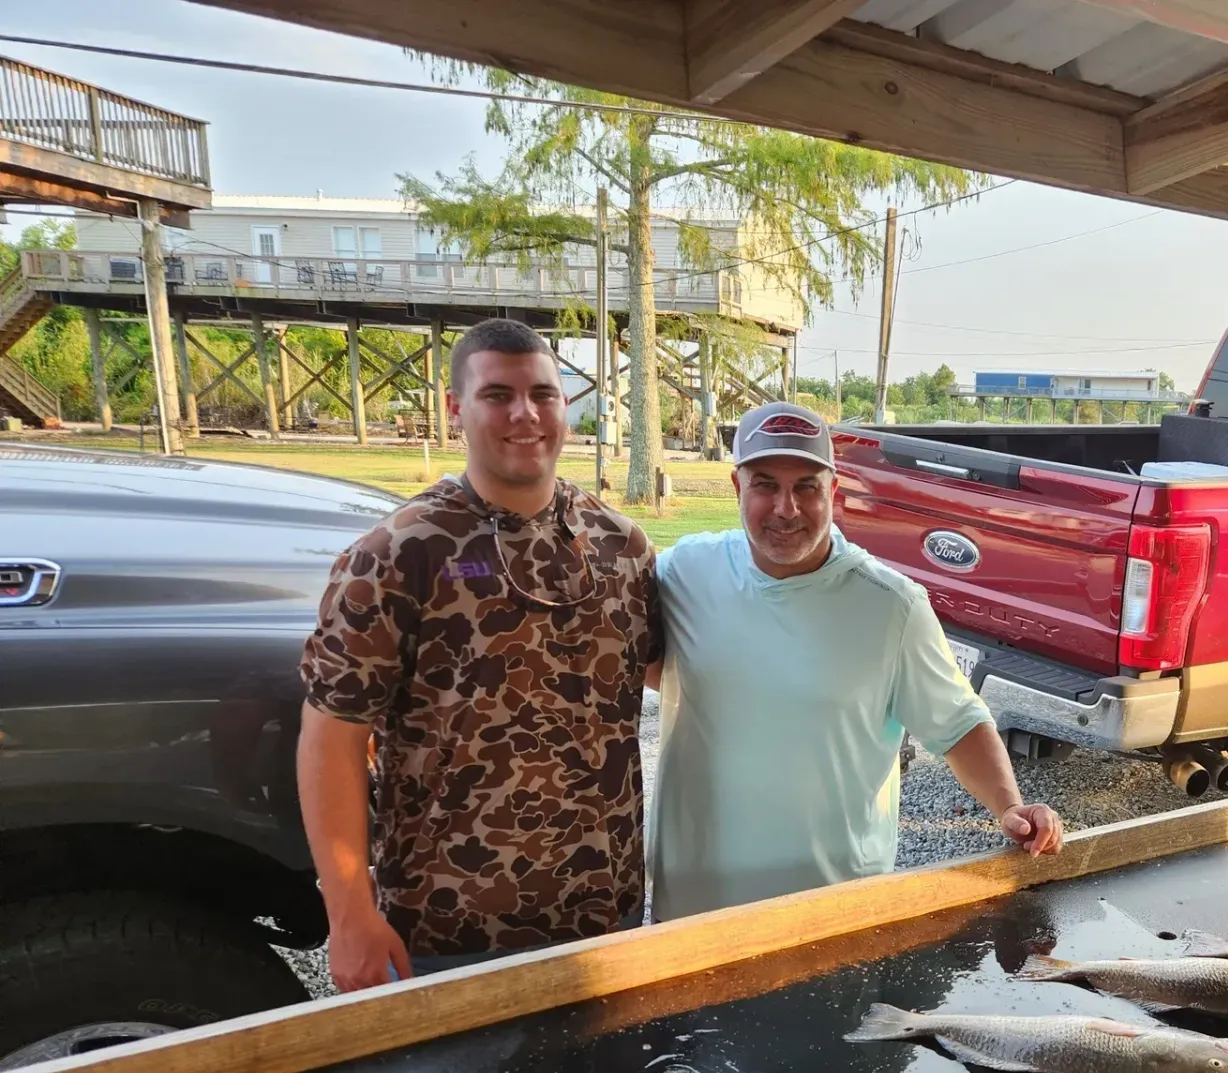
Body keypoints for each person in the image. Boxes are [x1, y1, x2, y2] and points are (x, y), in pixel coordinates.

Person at [297, 318, 661, 990]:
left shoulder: (621, 548)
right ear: (455, 407)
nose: (525, 414)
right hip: (448, 932)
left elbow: (672, 674)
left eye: (543, 394)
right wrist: (348, 915)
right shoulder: (398, 555)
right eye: (498, 395)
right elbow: (330, 739)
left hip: (601, 925)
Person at [647, 400, 1063, 922]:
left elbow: (957, 723)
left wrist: (1010, 806)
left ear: (833, 492)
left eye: (806, 487)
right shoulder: (684, 572)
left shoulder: (891, 605)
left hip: (832, 910)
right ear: (737, 487)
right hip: (693, 908)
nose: (785, 508)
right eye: (765, 484)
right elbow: (628, 660)